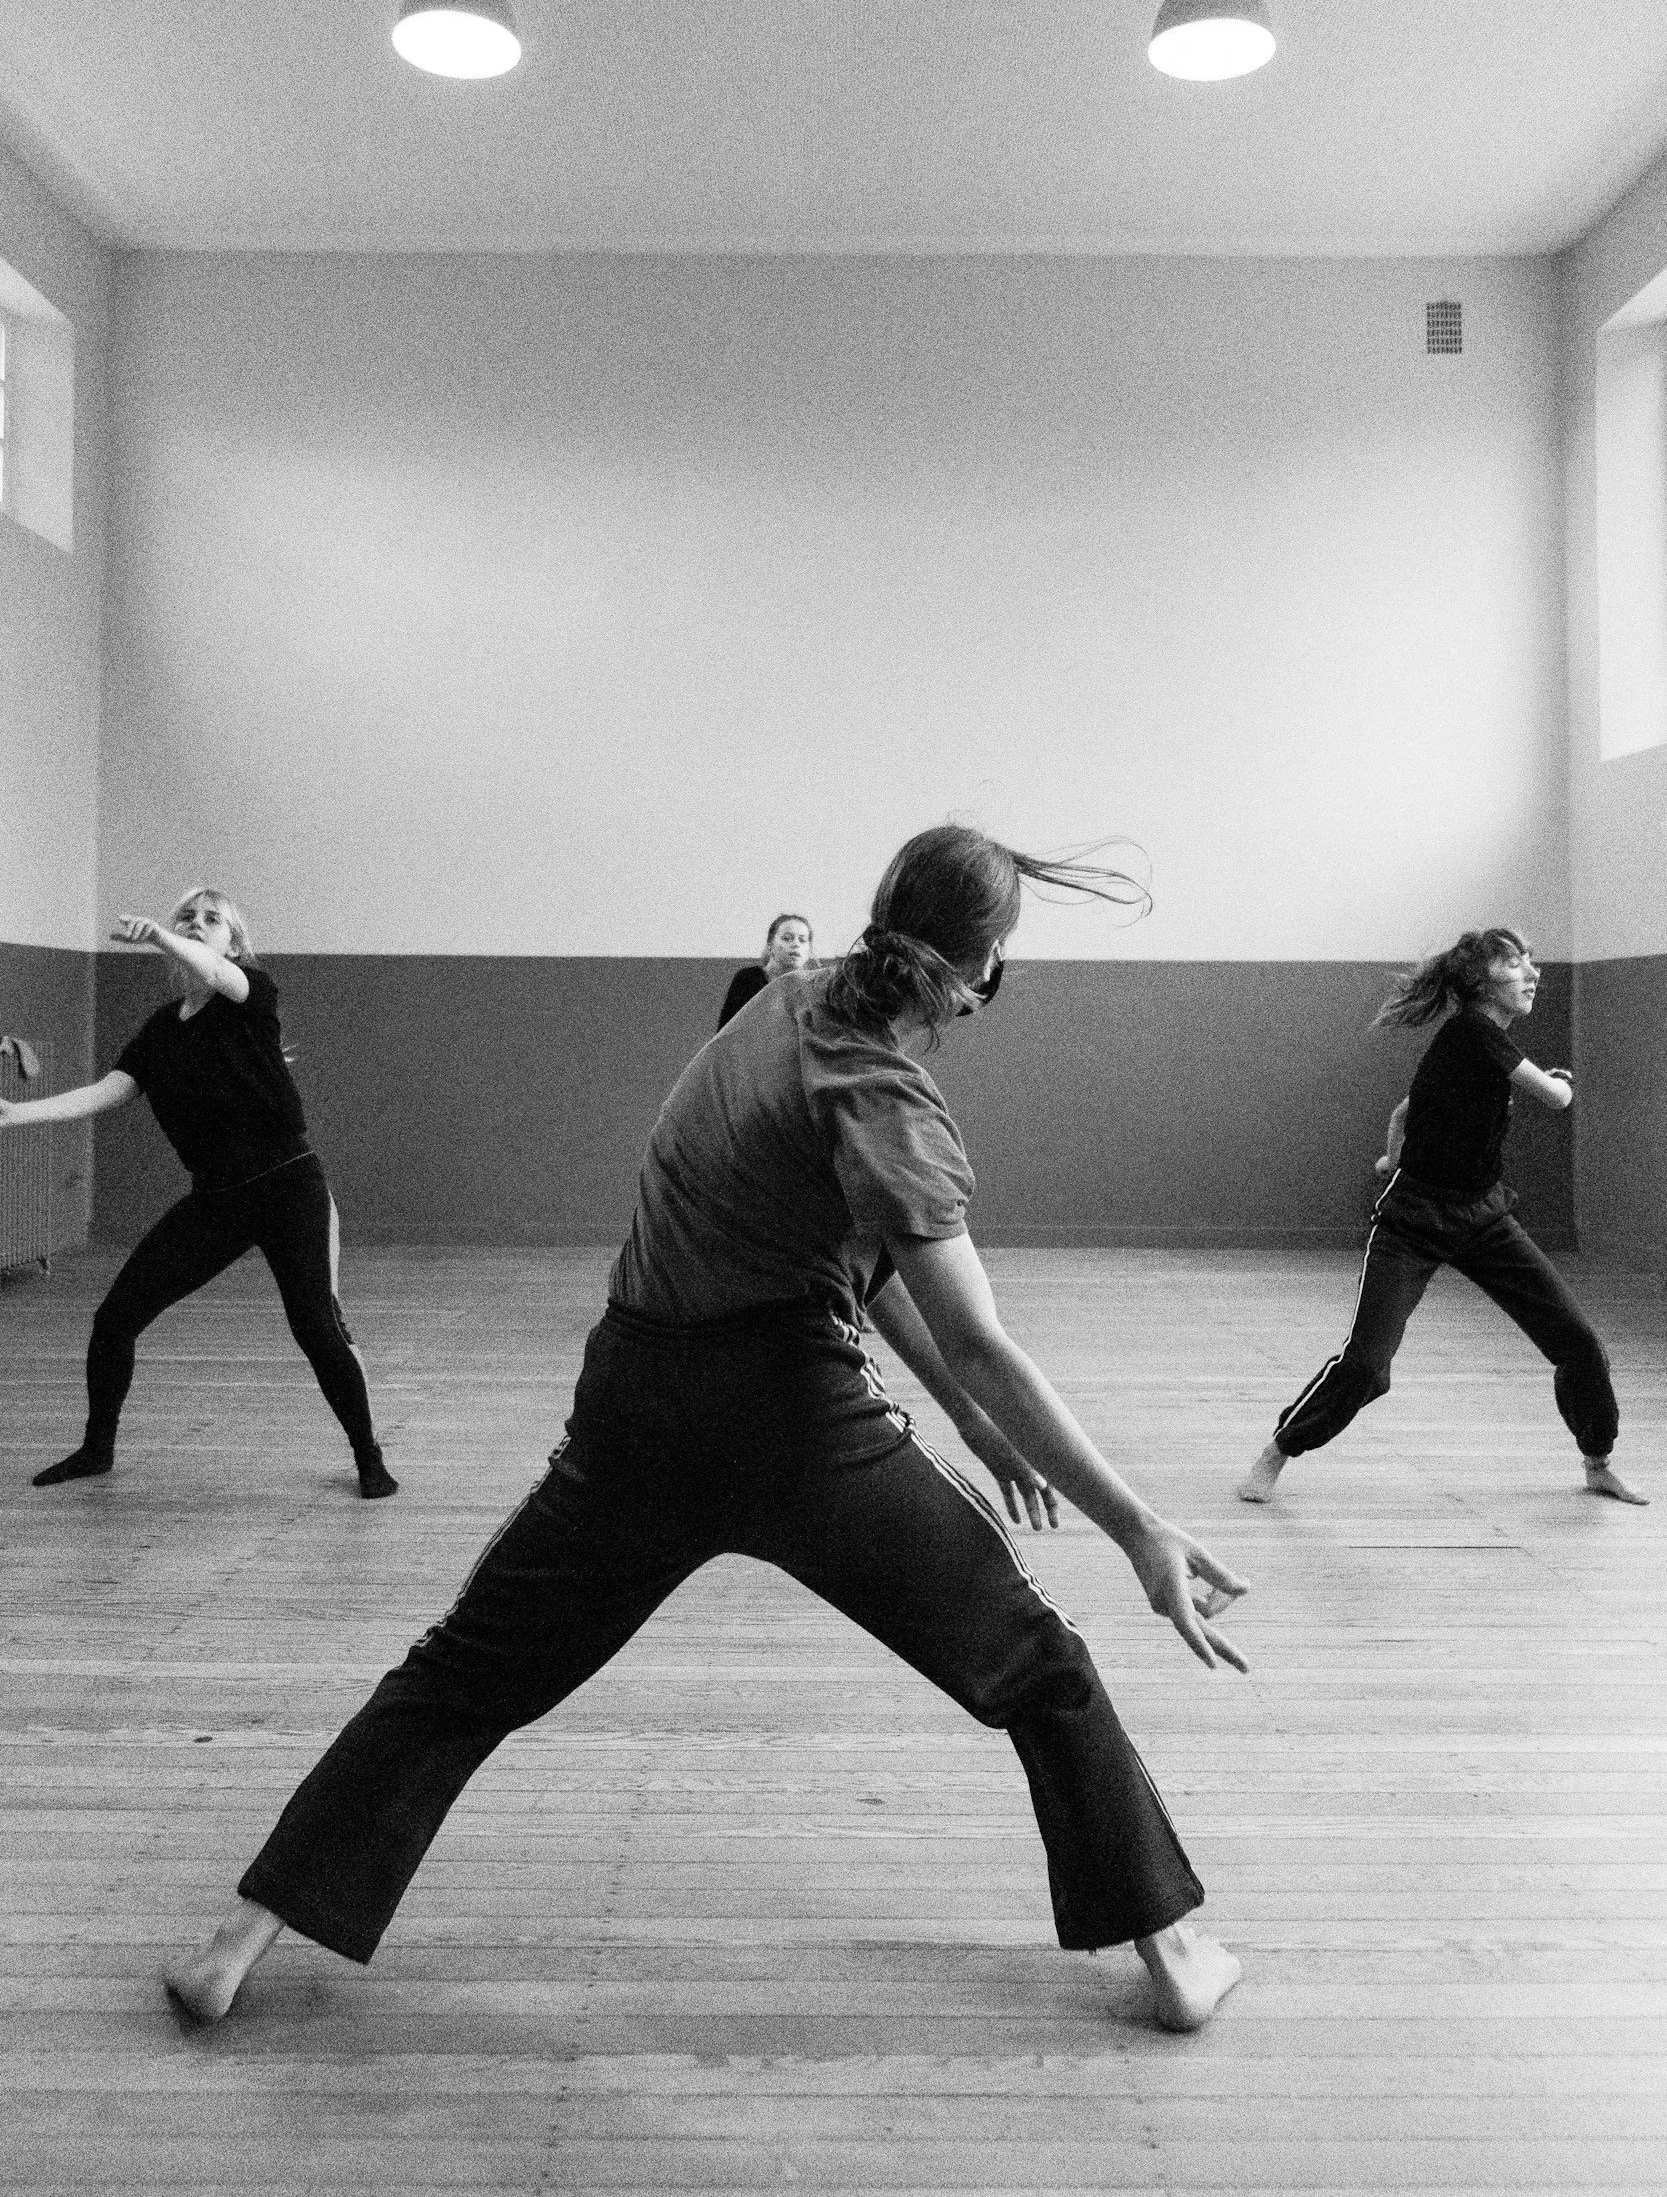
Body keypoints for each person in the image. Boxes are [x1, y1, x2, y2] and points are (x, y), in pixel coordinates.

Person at [164, 824, 1249, 2036]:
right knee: (1038, 1666)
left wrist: (971, 1427)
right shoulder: (887, 1093)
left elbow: (861, 1258)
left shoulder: (779, 1006)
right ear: (980, 969)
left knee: (460, 1674)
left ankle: (233, 1943)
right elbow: (984, 1336)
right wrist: (1137, 1528)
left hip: (632, 1400)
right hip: (793, 1422)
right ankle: (1173, 1957)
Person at [1, 888, 395, 1500]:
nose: (196, 924)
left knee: (315, 1325)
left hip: (289, 1184)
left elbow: (215, 973)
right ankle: (96, 1449)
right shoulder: (160, 1030)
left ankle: (369, 1458)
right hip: (218, 1199)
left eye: (213, 920)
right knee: (115, 1318)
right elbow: (107, 1093)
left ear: (233, 944)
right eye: (189, 915)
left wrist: (161, 933)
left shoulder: (250, 992)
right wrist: (11, 1114)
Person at [1239, 927, 1644, 1507]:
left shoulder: (1471, 1043)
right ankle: (1276, 1452)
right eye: (1516, 964)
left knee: (1577, 1343)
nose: (1533, 974)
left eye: (1533, 962)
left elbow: (1405, 1110)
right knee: (1367, 1366)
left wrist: (1392, 1156)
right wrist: (1559, 1082)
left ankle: (1598, 1462)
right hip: (1412, 1225)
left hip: (1483, 1218)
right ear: (1481, 982)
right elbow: (1555, 1100)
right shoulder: (1476, 1031)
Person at [717, 911, 814, 1028]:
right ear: (770, 945)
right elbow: (728, 1031)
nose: (795, 944)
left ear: (809, 951)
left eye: (802, 940)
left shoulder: (814, 987)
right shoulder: (748, 978)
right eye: (787, 938)